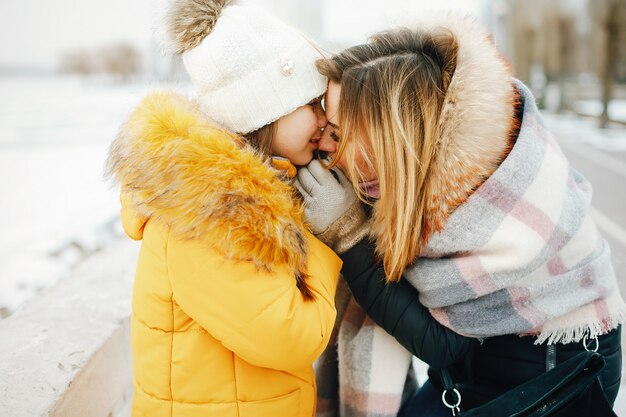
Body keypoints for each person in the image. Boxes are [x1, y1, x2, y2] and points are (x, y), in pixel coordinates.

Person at [297, 14, 625, 416]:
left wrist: (349, 236)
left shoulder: (478, 194)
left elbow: (442, 342)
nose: (326, 146)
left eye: (337, 130)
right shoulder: (419, 164)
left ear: (385, 133)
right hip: (479, 362)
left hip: (554, 371)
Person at [105, 1, 342, 416]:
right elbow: (293, 336)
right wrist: (330, 235)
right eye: (312, 104)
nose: (324, 120)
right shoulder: (206, 208)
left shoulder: (258, 189)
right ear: (265, 110)